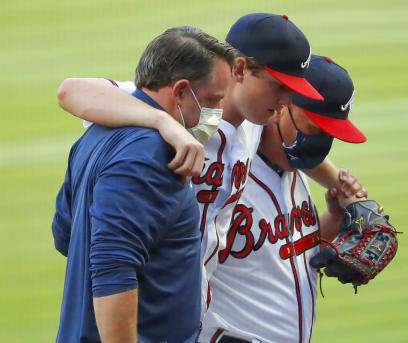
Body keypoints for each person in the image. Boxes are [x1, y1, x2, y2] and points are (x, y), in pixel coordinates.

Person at [56, 13, 351, 316]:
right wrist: (162, 123)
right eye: (279, 86)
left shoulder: (255, 122)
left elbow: (296, 151)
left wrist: (343, 188)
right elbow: (70, 91)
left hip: (191, 316)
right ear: (240, 69)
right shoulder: (188, 111)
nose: (287, 100)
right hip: (139, 310)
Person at [52, 27, 234, 343]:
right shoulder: (150, 155)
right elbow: (113, 268)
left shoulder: (96, 133)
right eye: (212, 100)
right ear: (180, 91)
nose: (216, 113)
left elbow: (65, 234)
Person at [200, 55, 367, 343]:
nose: (321, 141)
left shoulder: (296, 175)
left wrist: (336, 218)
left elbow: (286, 250)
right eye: (315, 126)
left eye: (330, 133)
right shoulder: (224, 180)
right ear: (280, 107)